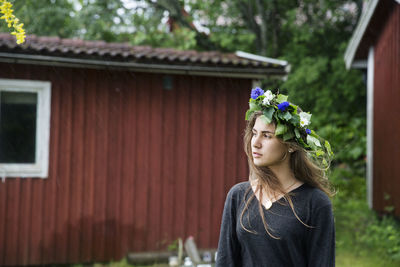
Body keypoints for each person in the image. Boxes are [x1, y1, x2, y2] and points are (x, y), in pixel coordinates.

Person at [216, 88, 336, 267]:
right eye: (255, 133)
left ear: (291, 145)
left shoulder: (315, 203)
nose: (255, 143)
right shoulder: (238, 195)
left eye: (267, 136)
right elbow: (225, 261)